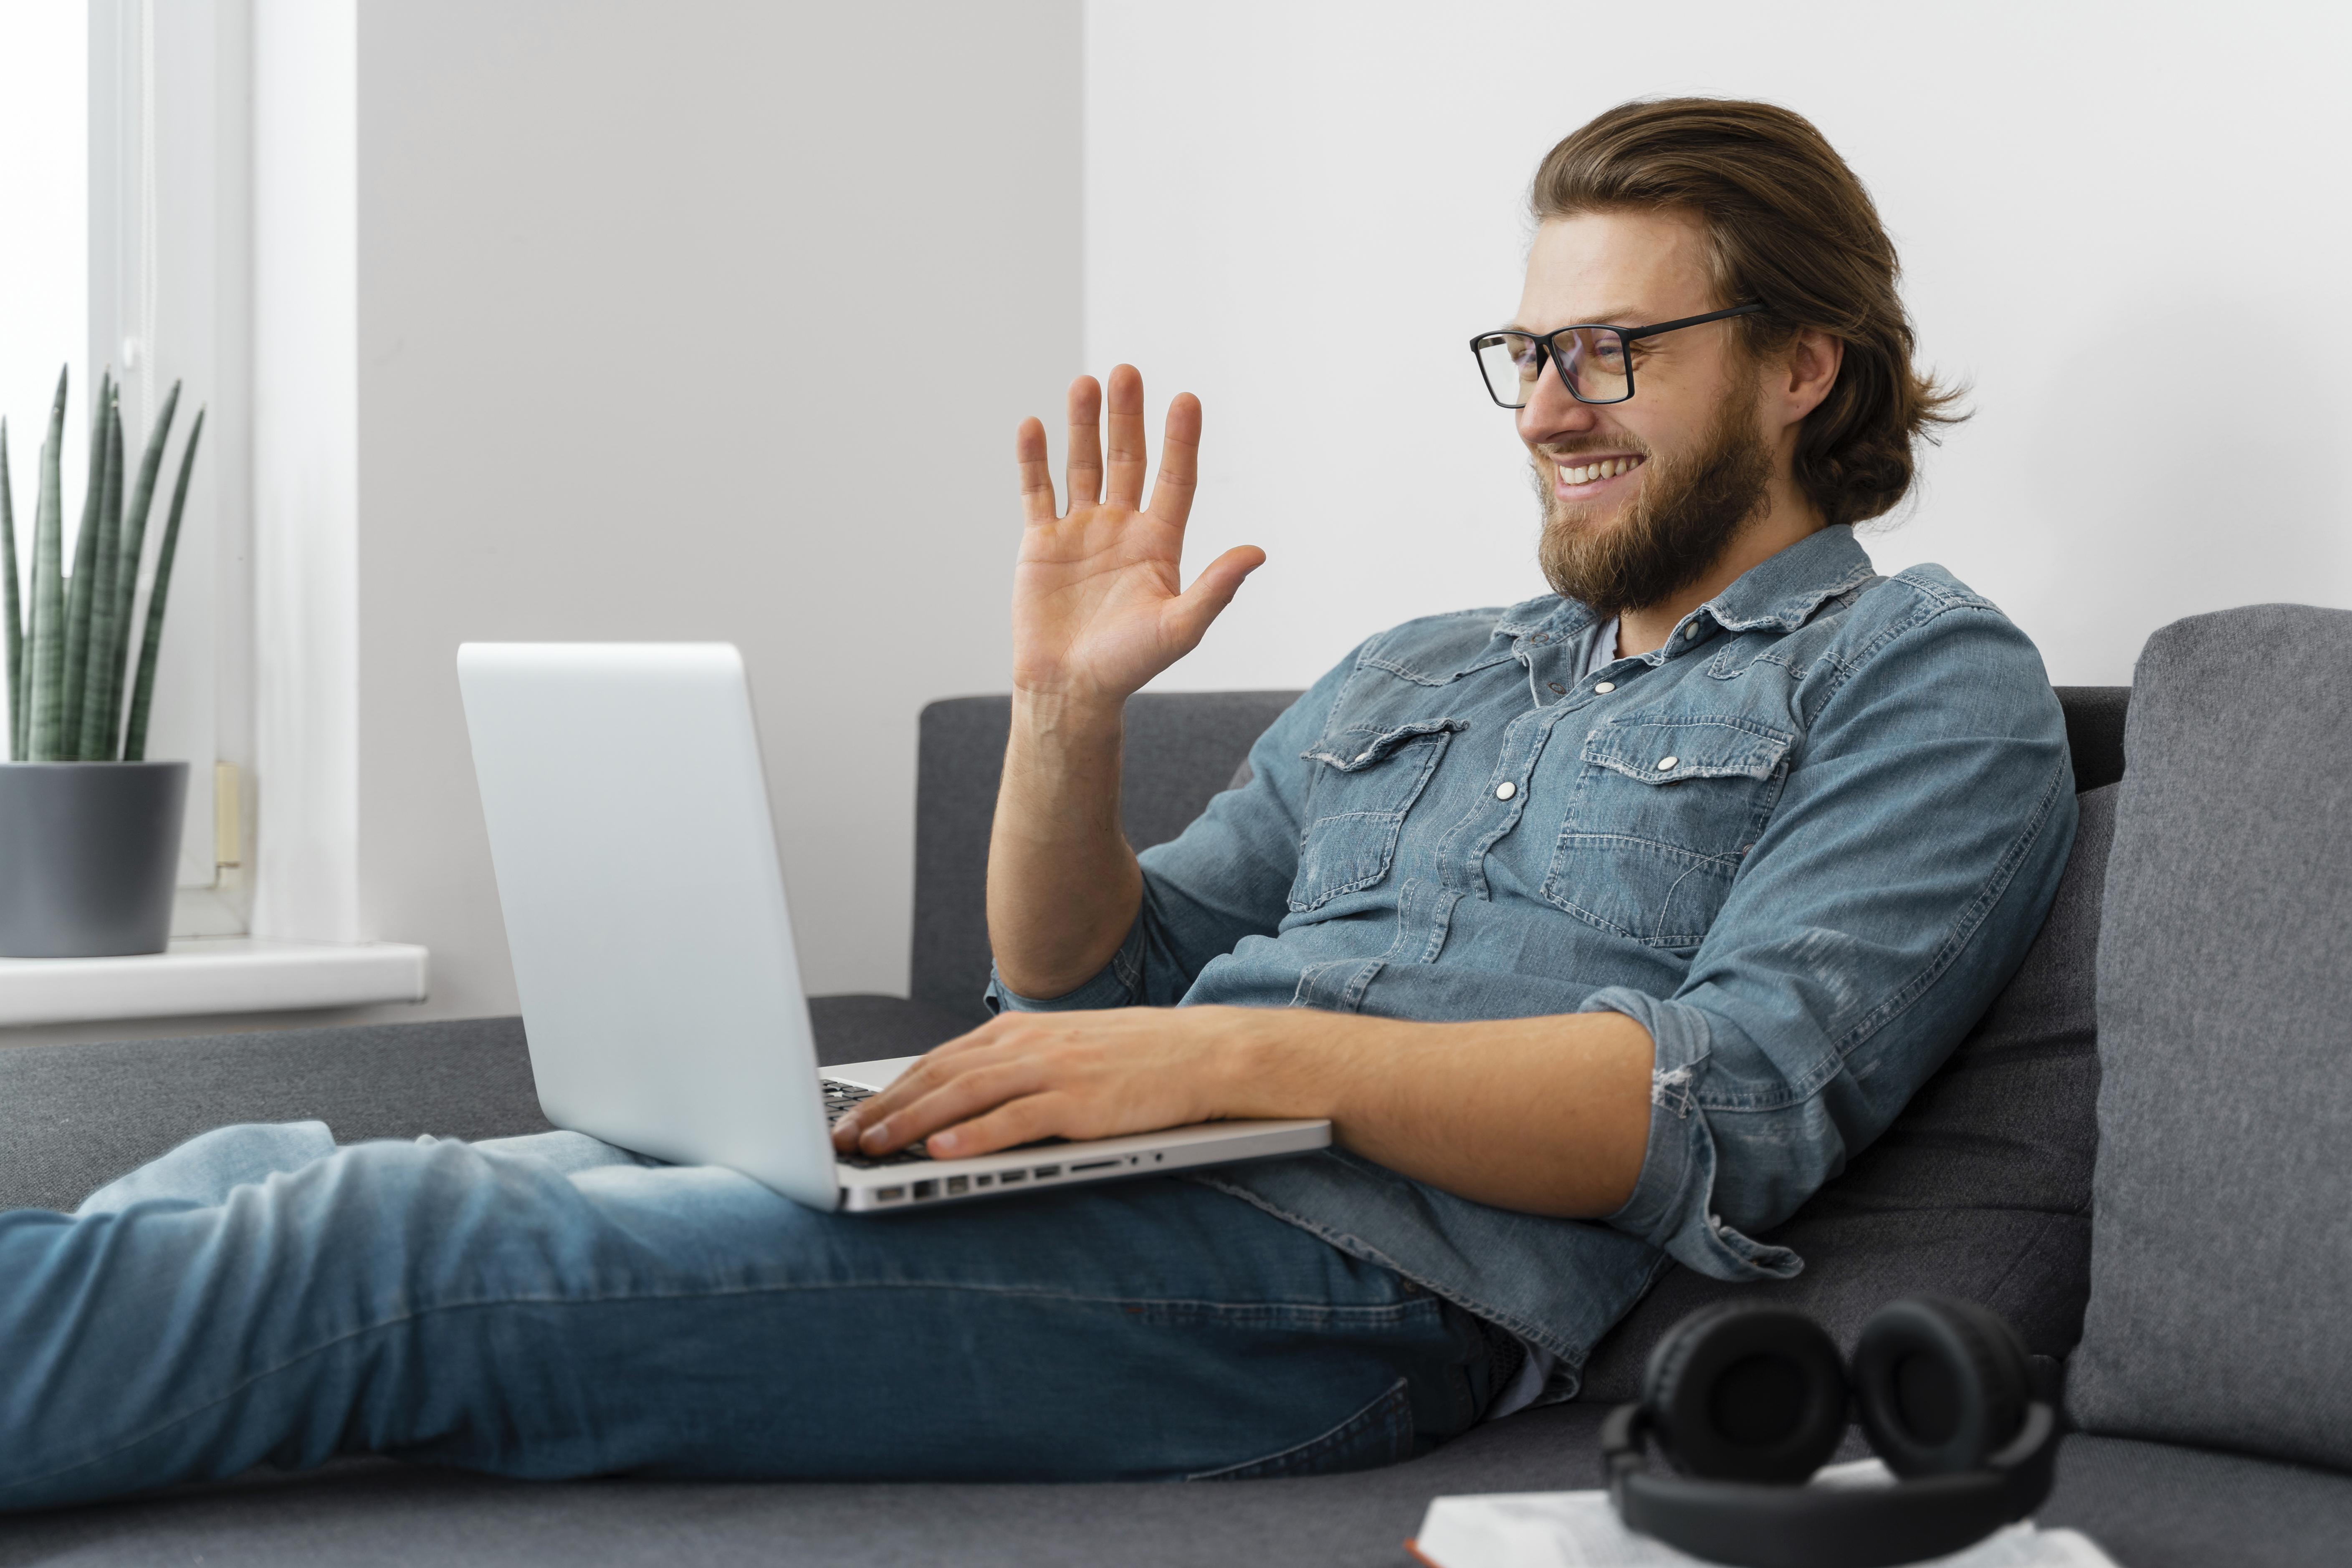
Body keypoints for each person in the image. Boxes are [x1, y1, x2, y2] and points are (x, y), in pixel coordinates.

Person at [0, 98, 2074, 1510]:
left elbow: (1724, 1108)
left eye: (1613, 350)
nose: (1543, 405)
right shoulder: (1436, 666)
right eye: (1525, 348)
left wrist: (1228, 1062)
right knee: (240, 1170)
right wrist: (1062, 715)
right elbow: (1083, 966)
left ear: (1802, 366)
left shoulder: (1922, 681)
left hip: (1352, 1296)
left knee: (392, 1243)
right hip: (1107, 1188)